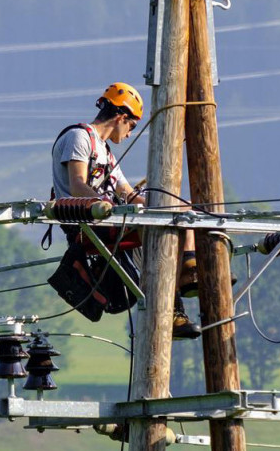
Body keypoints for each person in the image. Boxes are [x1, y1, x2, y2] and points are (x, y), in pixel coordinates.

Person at [48, 82, 201, 339]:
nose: (130, 133)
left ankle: (189, 271)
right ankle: (174, 303)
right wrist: (106, 205)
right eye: (131, 126)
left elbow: (127, 192)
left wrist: (168, 208)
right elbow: (77, 185)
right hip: (85, 223)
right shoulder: (79, 137)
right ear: (121, 117)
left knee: (173, 219)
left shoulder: (106, 154)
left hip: (109, 220)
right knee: (156, 233)